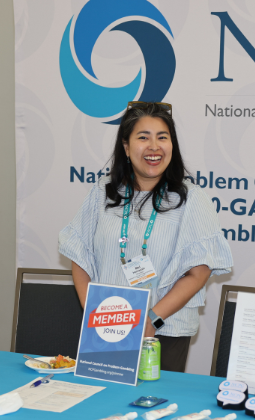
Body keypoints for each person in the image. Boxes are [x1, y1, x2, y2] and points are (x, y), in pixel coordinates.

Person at [59, 101, 233, 372]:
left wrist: (151, 321)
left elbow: (197, 274)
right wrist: (95, 313)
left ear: (172, 147)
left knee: (154, 407)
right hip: (108, 329)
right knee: (104, 405)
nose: (154, 147)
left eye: (162, 137)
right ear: (126, 148)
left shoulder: (191, 199)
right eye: (143, 138)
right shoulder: (102, 191)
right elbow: (79, 255)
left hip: (164, 331)